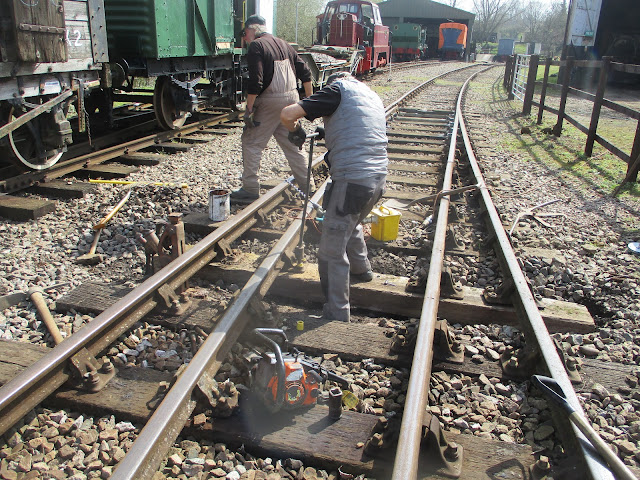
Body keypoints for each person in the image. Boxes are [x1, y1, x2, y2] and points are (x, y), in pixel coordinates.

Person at [280, 71, 388, 322]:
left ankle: (336, 312)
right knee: (350, 222)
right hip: (378, 178)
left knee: (330, 249)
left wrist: (295, 130)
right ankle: (362, 271)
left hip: (353, 181)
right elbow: (362, 131)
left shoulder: (336, 90)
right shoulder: (371, 96)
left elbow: (287, 114)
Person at [231, 15, 315, 201]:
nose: (244, 38)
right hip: (291, 101)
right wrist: (309, 103)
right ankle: (308, 184)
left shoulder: (257, 46)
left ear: (252, 30)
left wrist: (249, 109)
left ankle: (250, 189)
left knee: (252, 142)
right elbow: (307, 73)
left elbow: (256, 82)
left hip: (270, 101)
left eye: (244, 34)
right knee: (292, 143)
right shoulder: (284, 44)